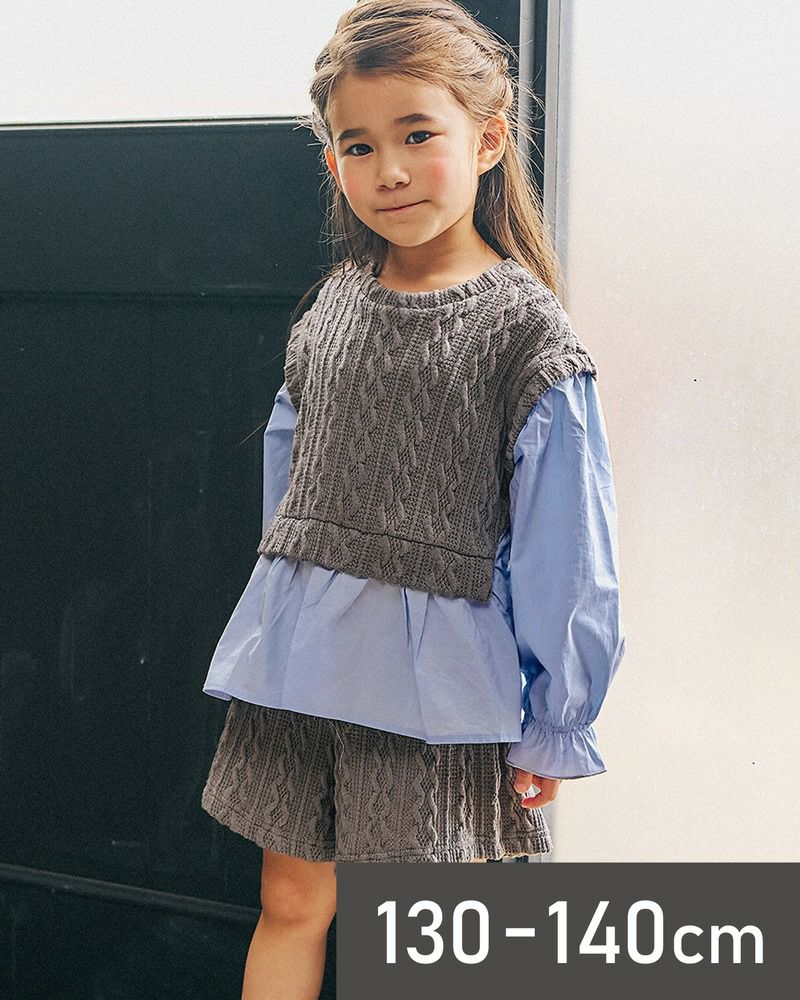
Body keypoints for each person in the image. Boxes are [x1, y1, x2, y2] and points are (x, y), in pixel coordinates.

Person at [200, 1, 626, 996]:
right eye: (358, 145)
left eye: (417, 134)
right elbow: (289, 487)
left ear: (487, 141)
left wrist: (555, 716)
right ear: (333, 162)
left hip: (434, 691)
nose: (387, 169)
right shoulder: (335, 305)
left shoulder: (524, 332)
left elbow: (567, 547)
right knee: (290, 902)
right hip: (300, 669)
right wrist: (277, 621)